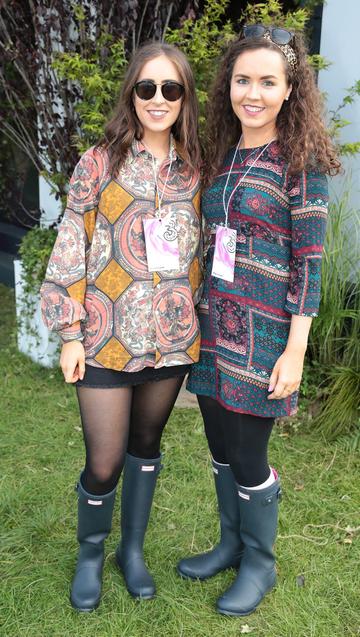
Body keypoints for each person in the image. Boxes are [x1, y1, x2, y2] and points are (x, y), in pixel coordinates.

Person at [177, 25, 341, 616]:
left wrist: (294, 349)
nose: (254, 92)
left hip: (266, 337)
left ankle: (260, 564)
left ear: (290, 89)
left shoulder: (303, 164)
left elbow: (310, 265)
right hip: (215, 330)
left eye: (268, 81)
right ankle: (229, 543)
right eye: (243, 80)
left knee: (249, 455)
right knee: (220, 447)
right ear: (229, 86)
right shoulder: (222, 155)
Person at [40, 42, 202, 612]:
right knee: (104, 460)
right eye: (147, 88)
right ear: (131, 94)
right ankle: (90, 554)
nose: (158, 100)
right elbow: (71, 247)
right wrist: (68, 332)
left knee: (146, 444)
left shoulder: (197, 169)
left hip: (171, 339)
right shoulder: (98, 162)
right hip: (105, 338)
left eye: (171, 89)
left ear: (185, 98)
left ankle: (131, 552)